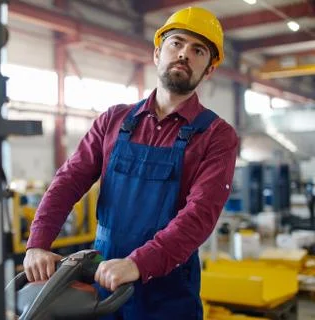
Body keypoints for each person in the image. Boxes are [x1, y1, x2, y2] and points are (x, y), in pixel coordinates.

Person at [23, 6, 239, 320]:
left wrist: (139, 263)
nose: (184, 54)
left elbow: (200, 215)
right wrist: (38, 242)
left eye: (198, 50)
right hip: (102, 281)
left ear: (208, 70)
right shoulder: (114, 120)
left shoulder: (216, 136)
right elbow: (68, 181)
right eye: (176, 43)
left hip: (168, 294)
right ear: (157, 53)